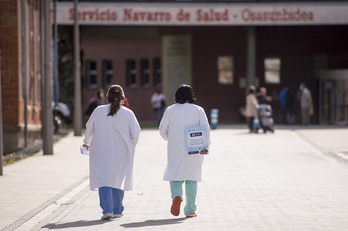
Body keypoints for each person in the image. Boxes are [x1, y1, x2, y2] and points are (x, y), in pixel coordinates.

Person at [82, 85, 141, 220]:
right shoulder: (128, 113)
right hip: (123, 151)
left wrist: (87, 141)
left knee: (104, 178)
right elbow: (136, 133)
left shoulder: (98, 111)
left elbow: (89, 127)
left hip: (100, 150)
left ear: (107, 97)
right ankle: (117, 209)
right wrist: (132, 145)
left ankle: (107, 210)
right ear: (122, 97)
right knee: (118, 177)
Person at [159, 84, 211, 218]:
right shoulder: (198, 110)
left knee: (175, 175)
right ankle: (190, 209)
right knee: (191, 178)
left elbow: (162, 130)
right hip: (194, 148)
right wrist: (206, 147)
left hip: (175, 148)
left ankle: (176, 196)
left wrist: (169, 138)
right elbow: (206, 128)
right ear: (191, 95)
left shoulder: (170, 110)